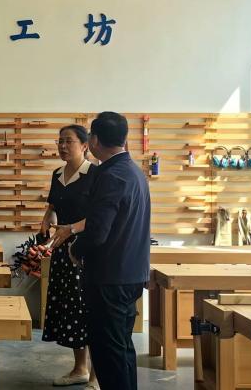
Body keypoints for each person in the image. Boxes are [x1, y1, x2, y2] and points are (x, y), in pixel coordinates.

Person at [68, 112, 151, 390]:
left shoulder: (110, 175)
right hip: (131, 274)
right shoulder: (133, 172)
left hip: (109, 278)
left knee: (108, 355)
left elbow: (98, 231)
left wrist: (76, 248)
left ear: (93, 140)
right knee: (122, 349)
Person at [38, 125, 99, 388]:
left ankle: (97, 376)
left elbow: (99, 216)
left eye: (69, 141)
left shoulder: (95, 174)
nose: (62, 146)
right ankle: (80, 369)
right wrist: (46, 219)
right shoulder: (57, 174)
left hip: (85, 251)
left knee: (89, 311)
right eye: (60, 141)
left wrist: (71, 229)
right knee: (71, 309)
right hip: (62, 250)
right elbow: (53, 205)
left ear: (85, 145)